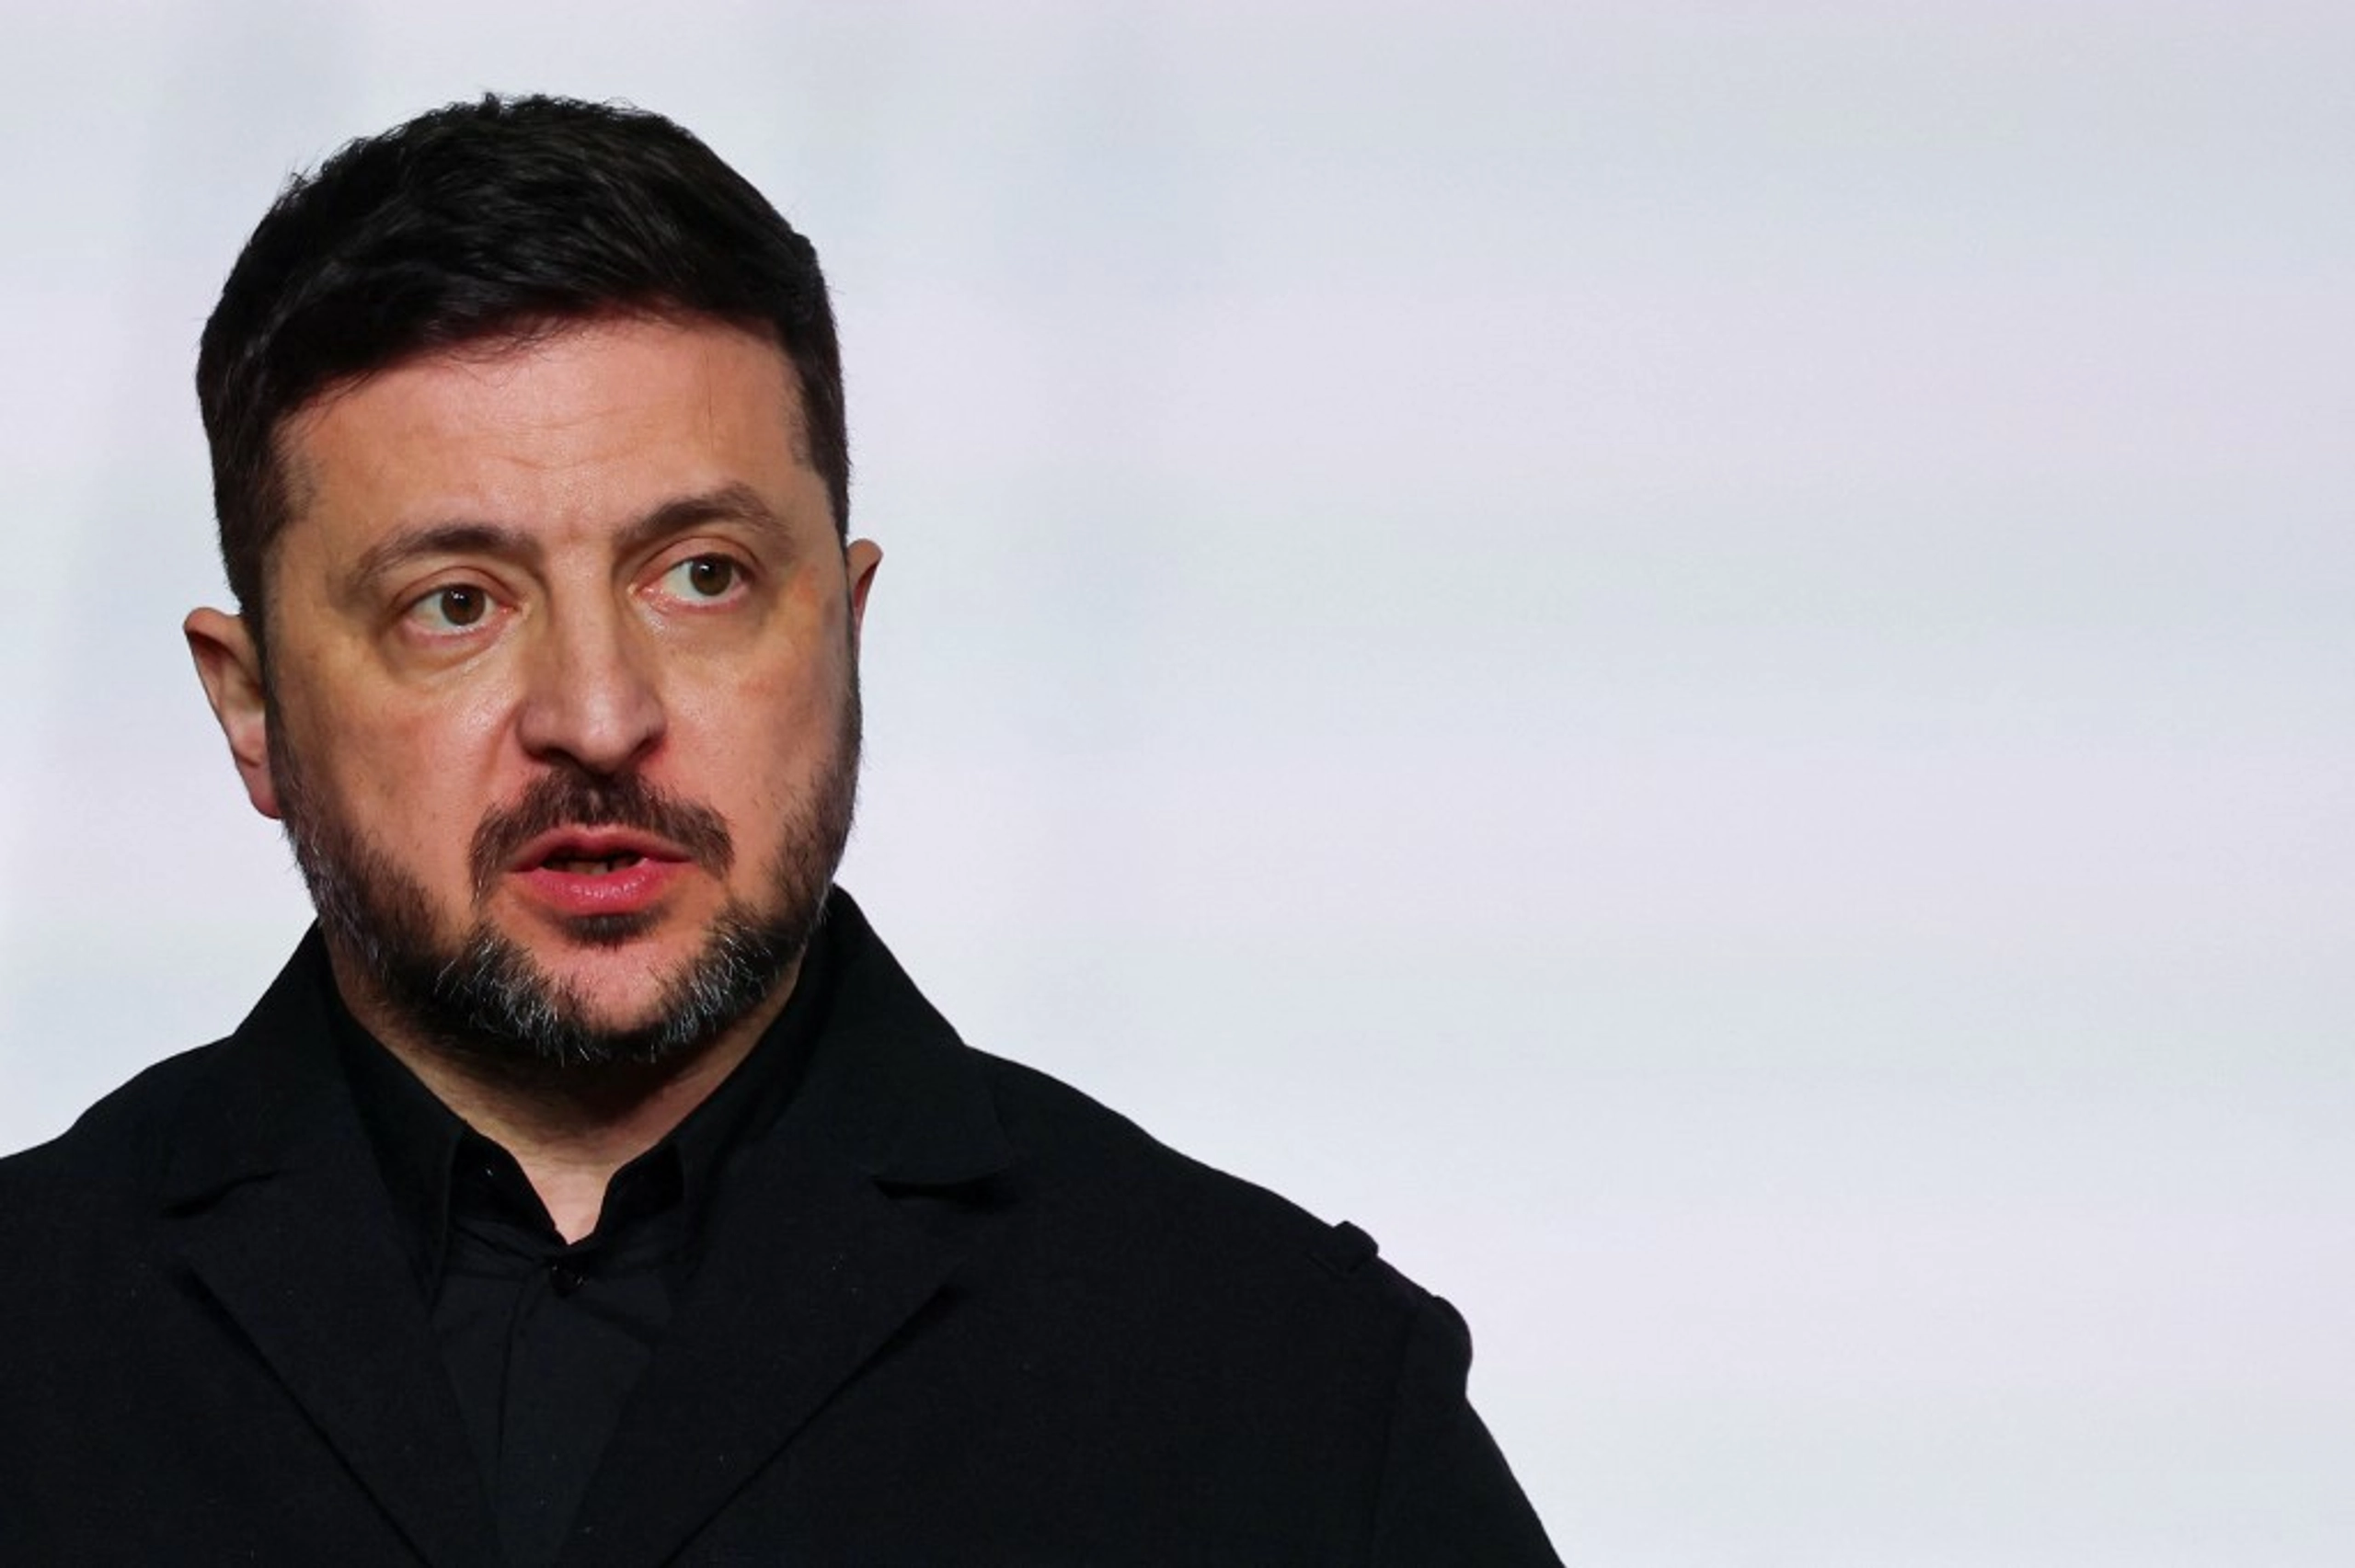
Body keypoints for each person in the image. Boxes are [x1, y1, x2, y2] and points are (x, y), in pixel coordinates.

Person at [0, 95, 1560, 1566]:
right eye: (456, 604)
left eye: (703, 576)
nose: (598, 715)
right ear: (253, 707)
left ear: (847, 631)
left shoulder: (1287, 1389)